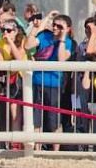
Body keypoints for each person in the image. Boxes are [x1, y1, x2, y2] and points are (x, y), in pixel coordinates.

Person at [25, 13, 73, 150]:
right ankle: (37, 150)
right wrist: (36, 27)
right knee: (37, 120)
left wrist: (63, 38)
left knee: (54, 121)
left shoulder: (68, 42)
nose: (55, 28)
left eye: (59, 26)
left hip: (54, 84)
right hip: (37, 81)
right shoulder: (43, 36)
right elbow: (28, 46)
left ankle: (56, 152)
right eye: (54, 25)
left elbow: (61, 58)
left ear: (68, 28)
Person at [0, 19, 27, 145]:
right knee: (15, 114)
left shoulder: (23, 41)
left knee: (27, 114)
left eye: (9, 30)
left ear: (16, 31)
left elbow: (19, 58)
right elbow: (1, 63)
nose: (6, 33)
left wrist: (11, 43)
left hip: (23, 79)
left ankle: (23, 142)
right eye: (3, 30)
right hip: (11, 82)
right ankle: (16, 144)